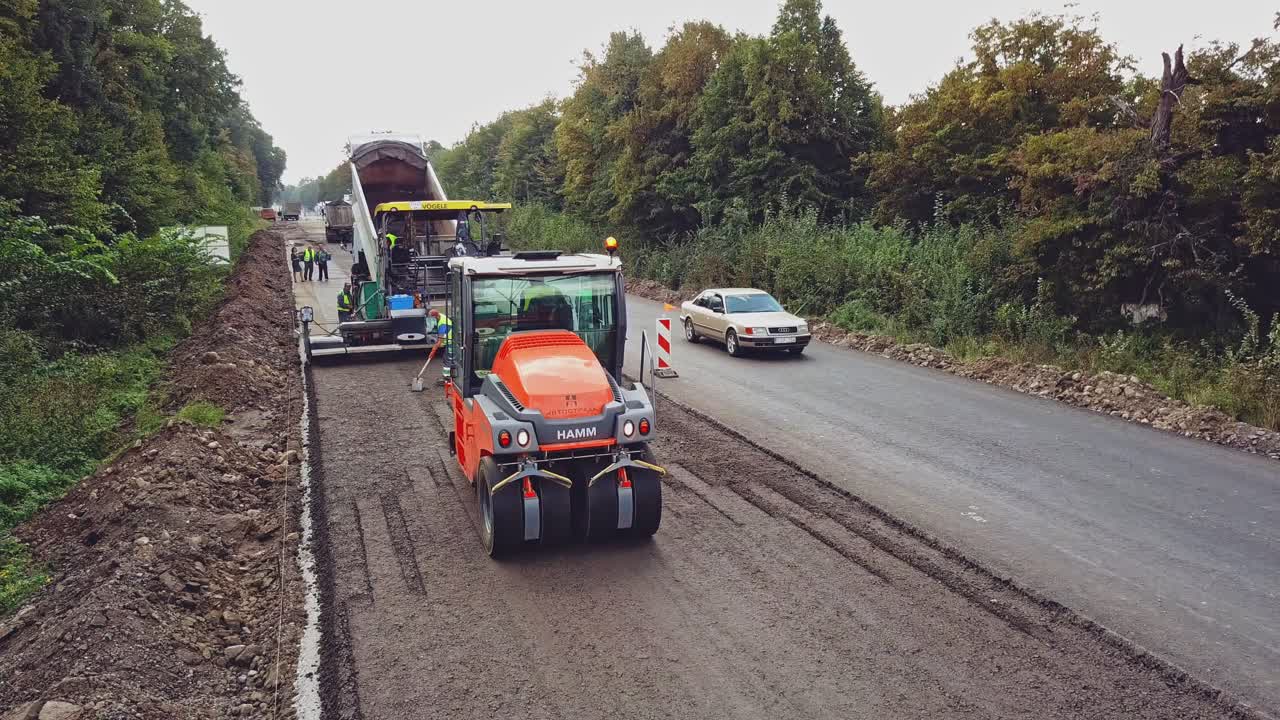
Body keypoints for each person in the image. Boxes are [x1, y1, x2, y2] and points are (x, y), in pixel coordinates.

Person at [429, 308, 452, 384]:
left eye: (432, 318)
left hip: (451, 343)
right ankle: (447, 376)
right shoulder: (440, 316)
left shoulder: (443, 324)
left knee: (447, 359)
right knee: (446, 359)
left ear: (435, 316)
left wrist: (433, 350)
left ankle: (447, 378)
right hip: (447, 341)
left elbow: (440, 340)